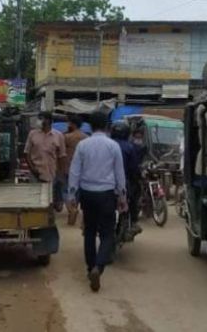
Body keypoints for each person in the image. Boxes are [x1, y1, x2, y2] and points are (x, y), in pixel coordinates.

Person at [67, 112, 127, 293]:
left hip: (87, 194)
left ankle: (90, 268)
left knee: (90, 232)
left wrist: (72, 195)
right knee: (108, 234)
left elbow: (75, 171)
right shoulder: (113, 146)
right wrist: (122, 197)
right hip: (107, 194)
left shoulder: (83, 145)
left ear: (90, 127)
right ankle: (99, 267)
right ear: (107, 126)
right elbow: (119, 173)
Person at [24, 112, 67, 210]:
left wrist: (60, 174)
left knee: (49, 200)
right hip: (35, 173)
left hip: (51, 173)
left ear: (49, 121)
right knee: (34, 199)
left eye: (41, 118)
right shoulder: (32, 134)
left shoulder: (58, 135)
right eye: (39, 118)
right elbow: (26, 153)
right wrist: (32, 168)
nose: (39, 121)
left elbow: (62, 156)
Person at [110, 121, 143, 237]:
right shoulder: (130, 147)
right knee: (134, 196)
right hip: (124, 182)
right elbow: (134, 167)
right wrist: (137, 177)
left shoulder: (107, 144)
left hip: (105, 183)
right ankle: (133, 221)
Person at [63, 115, 88, 226]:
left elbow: (61, 153)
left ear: (72, 124)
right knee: (78, 191)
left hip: (68, 167)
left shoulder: (67, 137)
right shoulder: (86, 137)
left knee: (66, 190)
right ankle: (74, 210)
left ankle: (71, 209)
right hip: (83, 168)